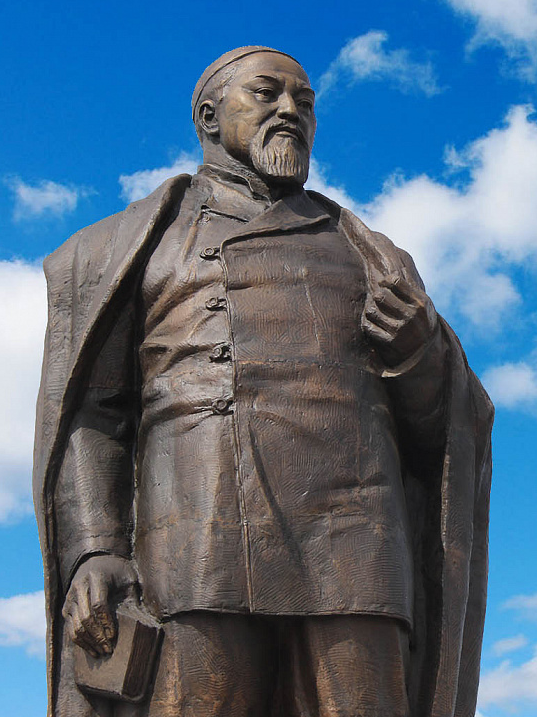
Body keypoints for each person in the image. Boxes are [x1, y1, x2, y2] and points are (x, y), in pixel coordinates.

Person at [33, 46, 493, 717]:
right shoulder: (130, 246)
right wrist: (96, 547)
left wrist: (419, 356)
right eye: (267, 94)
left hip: (354, 546)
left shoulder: (372, 254)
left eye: (304, 103)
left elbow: (436, 439)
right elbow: (94, 412)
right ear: (209, 116)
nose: (290, 111)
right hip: (196, 537)